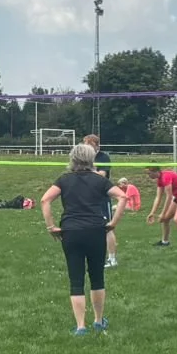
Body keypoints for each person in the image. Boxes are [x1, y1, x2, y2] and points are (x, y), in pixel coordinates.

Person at [41, 143, 128, 335]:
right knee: (97, 277)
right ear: (91, 160)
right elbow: (123, 197)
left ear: (72, 159)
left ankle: (81, 326)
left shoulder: (64, 180)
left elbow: (45, 200)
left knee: (76, 279)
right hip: (96, 231)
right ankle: (98, 321)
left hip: (71, 232)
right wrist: (113, 222)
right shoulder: (99, 180)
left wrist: (51, 226)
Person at [86, 133, 119, 269]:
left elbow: (102, 175)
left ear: (97, 145)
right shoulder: (86, 158)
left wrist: (86, 171)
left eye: (90, 144)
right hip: (89, 197)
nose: (87, 147)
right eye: (86, 145)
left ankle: (112, 259)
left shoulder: (103, 157)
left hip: (102, 196)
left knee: (107, 228)